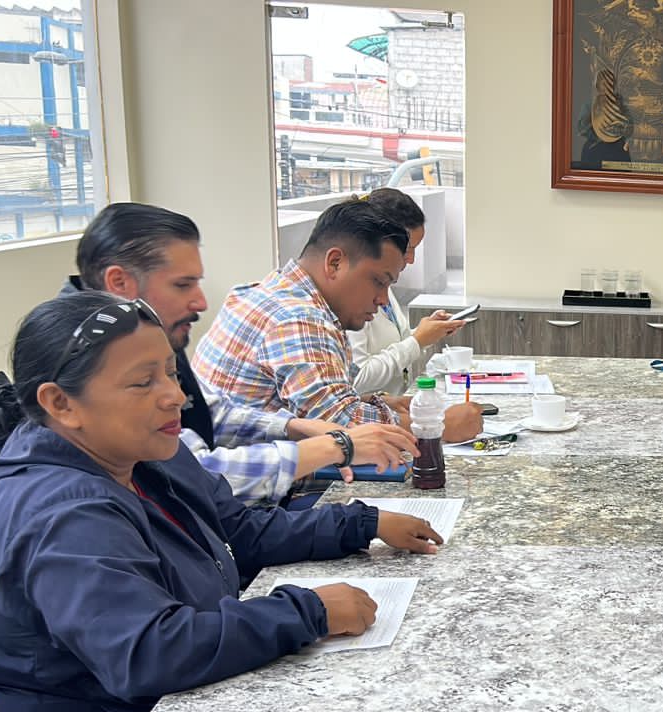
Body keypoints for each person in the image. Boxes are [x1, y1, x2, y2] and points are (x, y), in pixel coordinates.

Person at [0, 292, 446, 712]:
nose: (174, 396)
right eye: (143, 382)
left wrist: (359, 523)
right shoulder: (60, 512)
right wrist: (308, 611)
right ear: (60, 404)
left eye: (171, 374)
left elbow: (236, 531)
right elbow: (149, 653)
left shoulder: (141, 451)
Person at [64, 202, 417, 505]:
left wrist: (291, 426)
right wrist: (335, 446)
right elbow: (194, 474)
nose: (201, 302)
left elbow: (206, 412)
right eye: (183, 285)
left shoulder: (137, 333)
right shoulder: (82, 364)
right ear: (119, 283)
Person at [192, 199, 483, 443]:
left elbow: (331, 401)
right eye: (378, 281)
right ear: (335, 263)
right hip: (258, 490)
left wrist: (378, 403)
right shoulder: (298, 318)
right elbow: (342, 427)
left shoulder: (274, 292)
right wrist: (435, 425)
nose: (382, 299)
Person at [348, 188, 466, 396]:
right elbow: (357, 379)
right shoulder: (351, 296)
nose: (411, 259)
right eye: (408, 248)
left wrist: (426, 332)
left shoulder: (383, 284)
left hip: (394, 406)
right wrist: (417, 340)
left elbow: (393, 344)